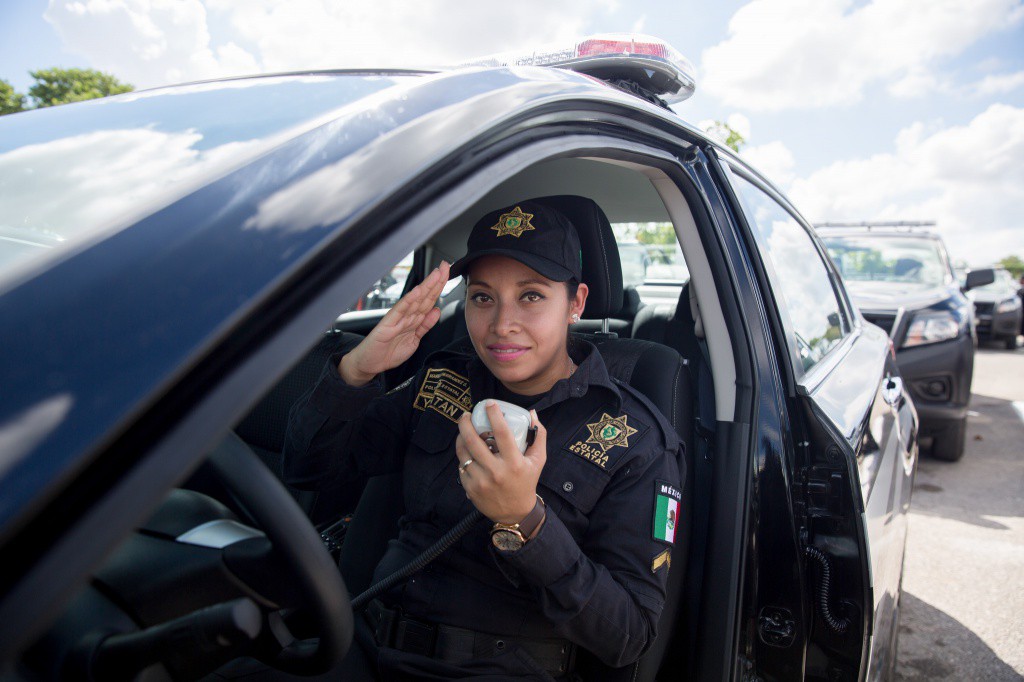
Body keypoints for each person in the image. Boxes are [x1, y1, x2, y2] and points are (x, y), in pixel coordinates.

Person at [284, 200, 685, 680]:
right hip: (364, 644)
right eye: (482, 297)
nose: (501, 325)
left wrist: (527, 521)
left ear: (575, 302)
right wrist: (356, 371)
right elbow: (307, 469)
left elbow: (628, 636)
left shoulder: (635, 437)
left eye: (531, 296)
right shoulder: (442, 381)